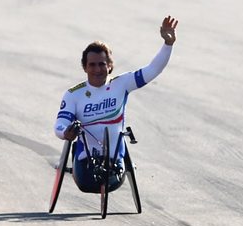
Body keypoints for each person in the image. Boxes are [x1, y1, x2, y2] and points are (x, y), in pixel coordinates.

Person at [53, 15, 179, 194]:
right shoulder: (74, 94)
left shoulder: (121, 84)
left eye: (102, 64)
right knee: (87, 185)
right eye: (92, 65)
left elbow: (153, 70)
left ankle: (122, 167)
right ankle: (75, 168)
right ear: (85, 67)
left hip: (114, 158)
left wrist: (168, 44)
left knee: (108, 181)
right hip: (85, 157)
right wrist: (65, 132)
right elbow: (60, 123)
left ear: (110, 66)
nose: (97, 70)